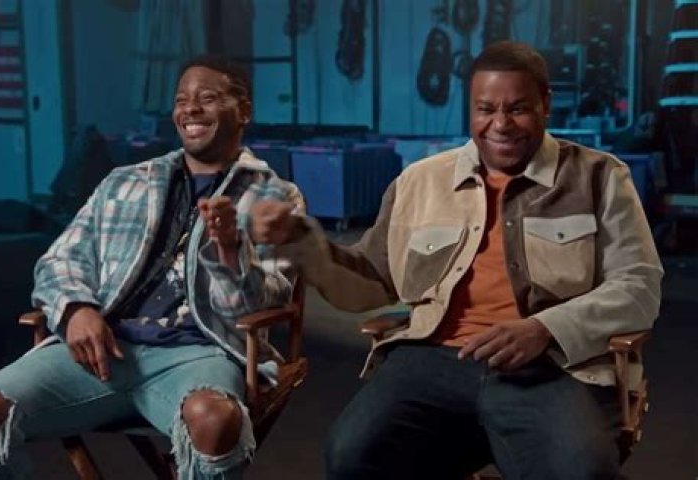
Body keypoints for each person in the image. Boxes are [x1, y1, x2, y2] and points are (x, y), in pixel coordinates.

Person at [250, 41, 663, 479]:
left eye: (518, 109)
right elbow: (369, 282)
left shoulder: (599, 176)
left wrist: (545, 329)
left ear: (546, 104)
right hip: (432, 360)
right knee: (351, 456)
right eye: (485, 109)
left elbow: (638, 285)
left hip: (549, 366)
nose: (500, 124)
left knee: (582, 472)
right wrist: (300, 239)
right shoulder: (420, 181)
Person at [0, 55, 303, 480]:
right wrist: (76, 310)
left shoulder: (276, 198)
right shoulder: (126, 181)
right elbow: (60, 259)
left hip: (200, 352)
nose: (191, 109)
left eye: (208, 98)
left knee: (214, 420)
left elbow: (266, 304)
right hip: (103, 350)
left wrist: (230, 251)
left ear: (243, 111)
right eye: (181, 100)